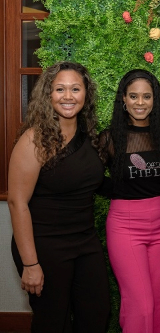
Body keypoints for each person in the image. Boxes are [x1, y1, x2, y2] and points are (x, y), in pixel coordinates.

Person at [8, 61, 110, 332]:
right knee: (53, 323)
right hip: (44, 246)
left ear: (86, 94)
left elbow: (94, 184)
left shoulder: (88, 137)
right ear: (48, 95)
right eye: (60, 89)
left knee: (97, 316)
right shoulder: (34, 140)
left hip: (85, 243)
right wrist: (31, 263)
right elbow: (17, 203)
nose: (68, 96)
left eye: (75, 89)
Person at [99, 69, 160, 333]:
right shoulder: (109, 139)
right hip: (125, 227)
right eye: (133, 96)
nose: (140, 102)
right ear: (123, 98)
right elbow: (91, 179)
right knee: (140, 305)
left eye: (146, 96)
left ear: (155, 100)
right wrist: (122, 191)